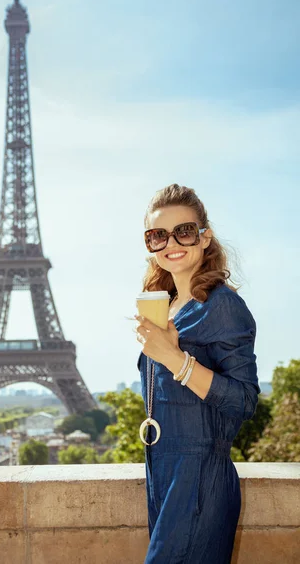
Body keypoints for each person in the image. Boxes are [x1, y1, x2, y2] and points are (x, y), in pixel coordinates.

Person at [135, 183, 260, 564]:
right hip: (163, 471)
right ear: (150, 246)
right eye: (158, 235)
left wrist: (175, 360)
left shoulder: (222, 305)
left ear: (204, 238)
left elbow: (244, 400)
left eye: (184, 231)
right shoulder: (168, 306)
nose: (171, 242)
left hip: (199, 475)